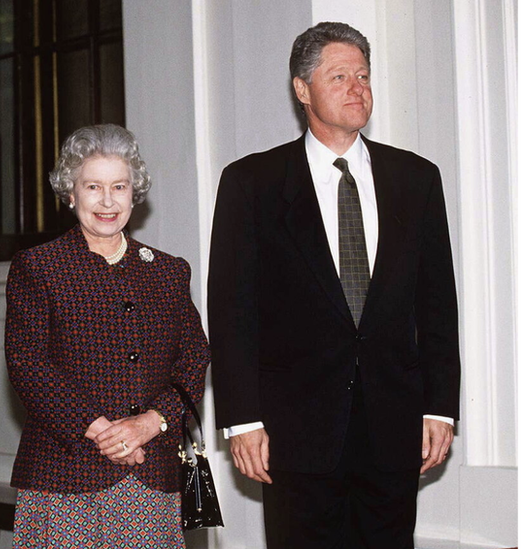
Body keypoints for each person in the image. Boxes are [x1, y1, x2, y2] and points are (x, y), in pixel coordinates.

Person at [208, 22, 461, 549]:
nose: (357, 88)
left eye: (364, 75)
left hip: (394, 427)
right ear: (302, 90)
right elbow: (233, 314)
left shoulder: (416, 179)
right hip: (294, 432)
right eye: (340, 75)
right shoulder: (250, 183)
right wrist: (242, 420)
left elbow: (437, 306)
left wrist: (439, 406)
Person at [5, 124, 210, 548]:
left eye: (119, 186)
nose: (107, 200)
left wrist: (152, 423)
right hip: (64, 477)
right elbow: (28, 365)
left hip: (150, 476)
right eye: (93, 186)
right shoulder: (39, 268)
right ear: (70, 193)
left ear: (135, 193)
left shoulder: (168, 271)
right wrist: (102, 431)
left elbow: (194, 357)